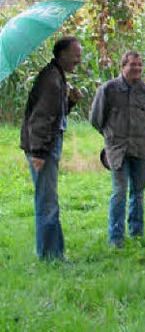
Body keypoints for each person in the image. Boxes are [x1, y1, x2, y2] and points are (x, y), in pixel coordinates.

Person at [20, 36, 83, 260]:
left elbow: (55, 116)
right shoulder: (51, 80)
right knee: (47, 202)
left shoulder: (57, 77)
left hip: (47, 145)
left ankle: (52, 253)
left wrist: (71, 102)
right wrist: (38, 153)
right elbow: (39, 119)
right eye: (76, 54)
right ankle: (51, 257)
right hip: (43, 148)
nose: (80, 59)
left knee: (48, 199)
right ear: (62, 54)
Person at [89, 50, 145, 248]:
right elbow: (96, 119)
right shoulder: (108, 90)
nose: (136, 68)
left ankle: (136, 233)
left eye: (139, 65)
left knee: (139, 191)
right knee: (119, 192)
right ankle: (116, 238)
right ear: (123, 66)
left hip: (141, 147)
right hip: (117, 149)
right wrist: (110, 136)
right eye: (132, 64)